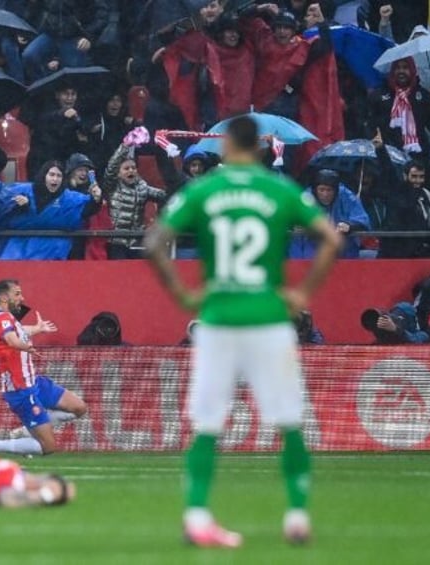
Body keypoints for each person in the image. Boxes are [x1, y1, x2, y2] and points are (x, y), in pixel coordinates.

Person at [144, 115, 342, 548]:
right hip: (269, 317)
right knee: (289, 420)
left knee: (208, 423)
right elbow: (330, 237)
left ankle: (197, 515)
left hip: (218, 318)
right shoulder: (279, 189)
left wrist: (183, 293)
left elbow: (155, 240)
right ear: (258, 148)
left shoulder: (205, 189)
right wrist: (302, 293)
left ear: (228, 145)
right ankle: (296, 515)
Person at [0, 279, 88, 458]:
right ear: (4, 297)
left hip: (34, 381)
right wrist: (24, 347)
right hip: (21, 389)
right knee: (48, 447)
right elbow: (12, 340)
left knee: (80, 408)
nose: (22, 298)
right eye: (17, 294)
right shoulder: (1, 319)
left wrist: (37, 329)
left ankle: (26, 432)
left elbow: (19, 331)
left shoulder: (8, 318)